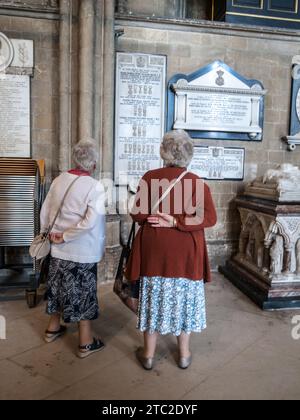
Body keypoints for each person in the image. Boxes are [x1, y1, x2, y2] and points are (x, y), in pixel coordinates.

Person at [126, 130, 217, 370]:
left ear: (163, 151)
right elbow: (209, 218)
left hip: (154, 250)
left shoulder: (150, 177)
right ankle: (184, 354)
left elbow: (137, 214)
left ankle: (148, 355)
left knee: (153, 299)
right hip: (187, 253)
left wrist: (164, 217)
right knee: (185, 299)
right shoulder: (197, 182)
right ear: (189, 153)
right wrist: (178, 221)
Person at [40, 138, 106, 359]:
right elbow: (90, 222)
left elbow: (46, 210)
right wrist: (67, 236)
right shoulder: (95, 187)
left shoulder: (59, 180)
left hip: (58, 250)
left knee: (58, 288)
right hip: (82, 251)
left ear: (74, 159)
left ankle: (53, 329)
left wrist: (50, 235)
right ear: (94, 164)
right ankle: (85, 343)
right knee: (84, 294)